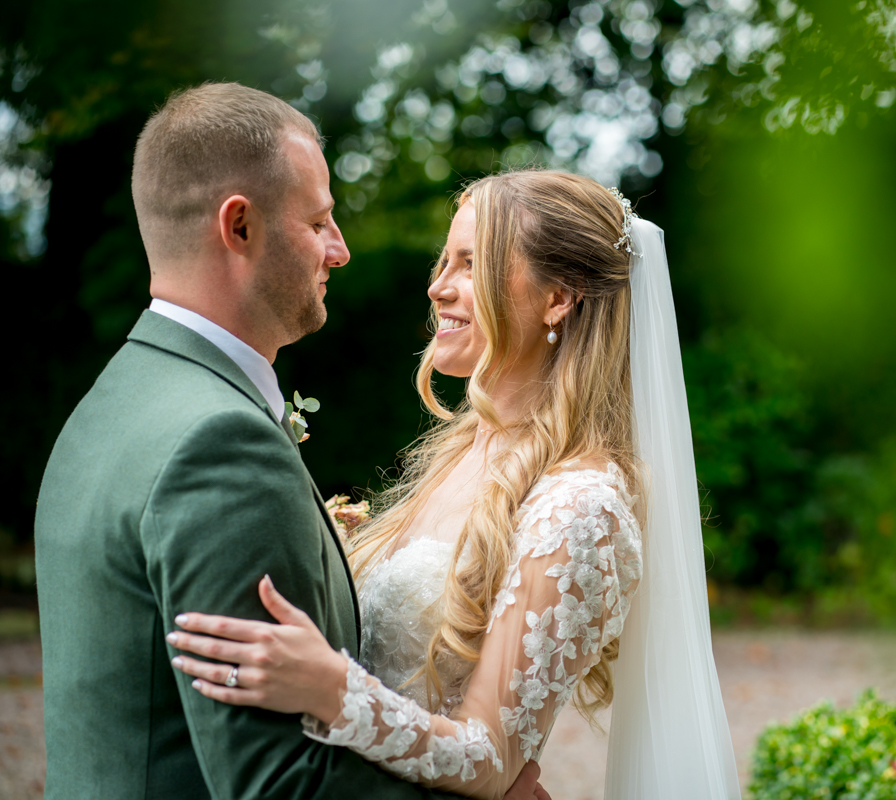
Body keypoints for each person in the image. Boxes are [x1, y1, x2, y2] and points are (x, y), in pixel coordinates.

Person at [34, 82, 544, 800]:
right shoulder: (216, 445)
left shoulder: (112, 400)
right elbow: (278, 786)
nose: (339, 250)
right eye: (319, 221)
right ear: (238, 226)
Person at [166, 169, 744, 799]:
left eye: (471, 264)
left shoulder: (581, 505)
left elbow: (491, 757)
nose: (439, 287)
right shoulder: (460, 451)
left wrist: (332, 689)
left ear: (559, 297)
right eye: (445, 262)